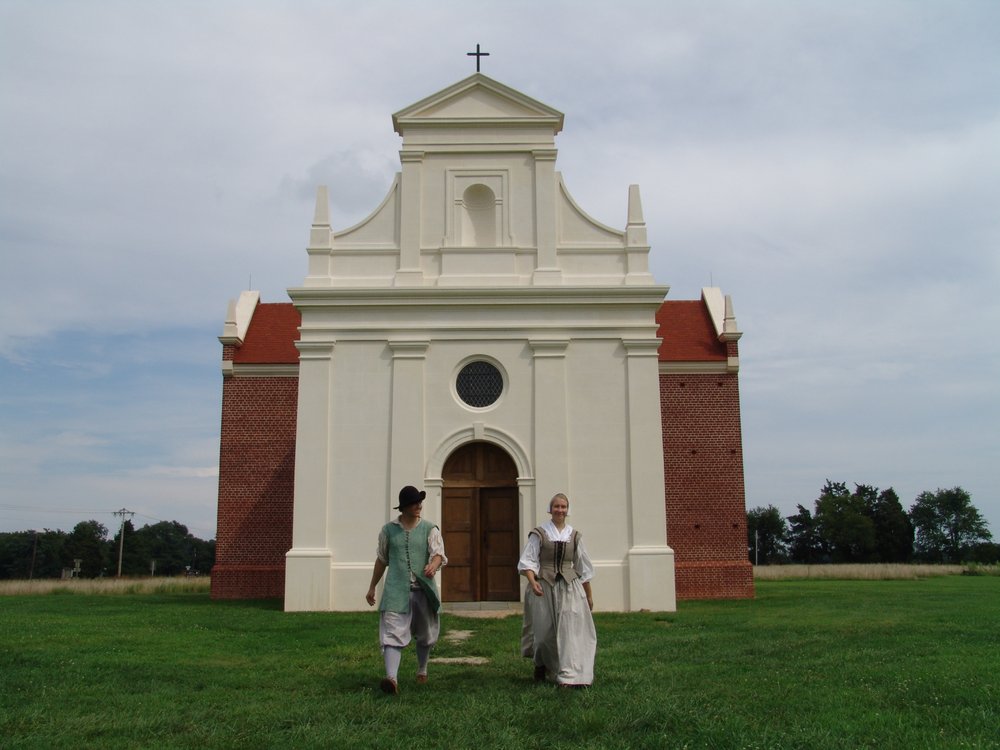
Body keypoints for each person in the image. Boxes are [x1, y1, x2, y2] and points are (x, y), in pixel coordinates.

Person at [365, 485, 447, 695]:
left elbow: (438, 554)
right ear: (404, 507)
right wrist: (372, 587)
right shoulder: (388, 531)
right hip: (395, 590)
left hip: (423, 590)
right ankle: (392, 679)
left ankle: (422, 669)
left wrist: (433, 564)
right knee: (392, 632)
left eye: (420, 502)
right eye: (414, 503)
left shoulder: (430, 529)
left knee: (426, 634)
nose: (419, 506)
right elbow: (382, 559)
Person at [518, 492, 597, 687]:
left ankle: (567, 675)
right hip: (544, 586)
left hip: (569, 589)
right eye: (556, 506)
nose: (560, 510)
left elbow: (583, 568)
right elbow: (527, 561)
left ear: (567, 510)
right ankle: (541, 664)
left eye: (563, 507)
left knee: (569, 632)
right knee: (544, 634)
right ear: (550, 509)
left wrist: (589, 595)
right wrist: (532, 580)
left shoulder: (575, 536)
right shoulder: (540, 533)